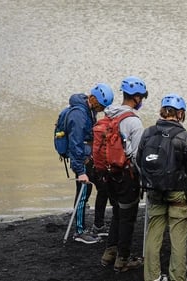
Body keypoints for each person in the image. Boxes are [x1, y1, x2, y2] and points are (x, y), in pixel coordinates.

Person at [139, 94, 187, 281]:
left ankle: (152, 277)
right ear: (180, 113)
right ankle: (177, 277)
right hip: (178, 192)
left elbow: (139, 159)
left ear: (162, 111)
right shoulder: (184, 136)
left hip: (154, 190)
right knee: (178, 237)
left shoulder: (148, 133)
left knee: (153, 234)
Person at [99, 76, 148, 272]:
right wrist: (143, 177)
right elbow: (136, 155)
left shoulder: (110, 114)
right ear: (136, 97)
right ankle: (123, 259)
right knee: (128, 217)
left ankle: (109, 253)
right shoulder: (134, 122)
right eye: (142, 97)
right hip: (126, 176)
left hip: (109, 174)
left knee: (117, 214)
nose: (142, 100)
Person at [65, 83, 114, 244]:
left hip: (89, 157)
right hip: (81, 160)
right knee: (83, 192)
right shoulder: (79, 115)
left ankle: (98, 226)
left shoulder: (90, 110)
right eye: (101, 105)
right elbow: (75, 144)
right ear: (93, 98)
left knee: (103, 187)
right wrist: (80, 171)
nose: (102, 109)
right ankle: (79, 231)